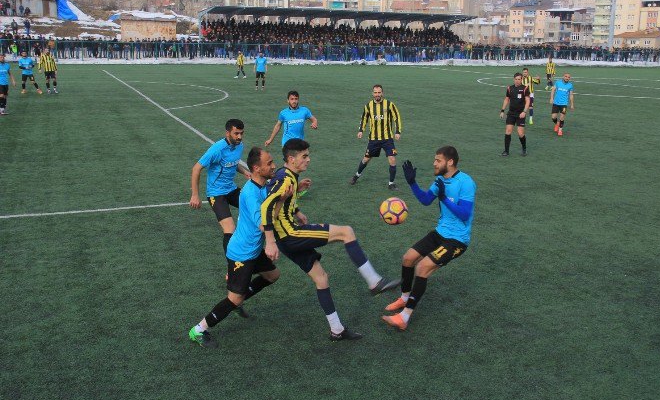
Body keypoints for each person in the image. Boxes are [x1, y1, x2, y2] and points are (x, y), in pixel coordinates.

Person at [261, 139, 400, 341]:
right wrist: (270, 241)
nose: (308, 159)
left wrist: (296, 205)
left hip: (287, 237)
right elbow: (266, 207)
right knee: (346, 232)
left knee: (321, 278)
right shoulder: (284, 178)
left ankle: (337, 330)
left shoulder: (288, 177)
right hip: (290, 235)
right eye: (304, 156)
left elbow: (280, 201)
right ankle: (374, 281)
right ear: (291, 159)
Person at [189, 147, 286, 348]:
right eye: (269, 163)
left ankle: (238, 301)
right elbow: (264, 224)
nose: (273, 165)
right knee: (233, 298)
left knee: (272, 275)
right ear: (256, 169)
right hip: (242, 253)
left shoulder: (262, 185)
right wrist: (281, 202)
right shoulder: (250, 193)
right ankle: (198, 329)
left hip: (253, 249)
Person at [382, 147, 476, 331]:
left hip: (457, 240)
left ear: (450, 162)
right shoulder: (441, 179)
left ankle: (404, 317)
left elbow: (465, 214)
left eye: (438, 160)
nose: (434, 163)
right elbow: (426, 200)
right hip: (440, 232)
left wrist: (444, 199)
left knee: (422, 267)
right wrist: (412, 183)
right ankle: (404, 297)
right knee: (408, 258)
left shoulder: (466, 182)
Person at [190, 119, 252, 255]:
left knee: (256, 208)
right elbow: (196, 169)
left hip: (231, 189)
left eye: (242, 133)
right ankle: (233, 266)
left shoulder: (239, 145)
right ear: (227, 132)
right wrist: (195, 195)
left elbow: (233, 163)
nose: (239, 137)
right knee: (230, 228)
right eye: (236, 133)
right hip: (216, 194)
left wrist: (245, 172)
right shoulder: (217, 149)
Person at [264, 90, 318, 197]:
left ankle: (292, 187)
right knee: (290, 166)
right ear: (288, 100)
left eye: (296, 99)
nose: (294, 101)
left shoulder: (304, 111)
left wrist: (314, 123)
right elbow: (278, 126)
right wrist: (270, 139)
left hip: (299, 145)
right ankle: (282, 185)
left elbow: (313, 119)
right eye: (292, 99)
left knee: (297, 167)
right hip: (288, 144)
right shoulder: (283, 113)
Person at [349, 84, 402, 190]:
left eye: (379, 92)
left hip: (387, 139)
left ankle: (391, 183)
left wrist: (398, 131)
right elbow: (364, 119)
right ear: (372, 93)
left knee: (392, 159)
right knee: (366, 159)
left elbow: (397, 117)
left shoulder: (389, 104)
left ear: (382, 93)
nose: (377, 94)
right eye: (375, 92)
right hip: (373, 139)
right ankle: (356, 175)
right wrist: (361, 130)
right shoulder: (368, 106)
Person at [499, 72, 530, 156]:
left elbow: (528, 101)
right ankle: (506, 151)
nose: (517, 81)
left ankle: (524, 148)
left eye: (519, 79)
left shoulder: (525, 88)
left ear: (521, 80)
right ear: (514, 79)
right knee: (508, 131)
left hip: (521, 114)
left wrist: (524, 112)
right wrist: (502, 110)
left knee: (520, 133)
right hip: (511, 113)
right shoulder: (510, 88)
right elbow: (506, 99)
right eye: (516, 79)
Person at [549, 73, 575, 137]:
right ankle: (557, 123)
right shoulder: (558, 82)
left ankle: (560, 130)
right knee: (553, 117)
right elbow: (553, 90)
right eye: (566, 76)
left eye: (568, 77)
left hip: (564, 104)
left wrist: (572, 104)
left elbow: (571, 95)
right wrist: (551, 98)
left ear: (569, 78)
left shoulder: (570, 85)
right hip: (556, 103)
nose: (567, 78)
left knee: (562, 117)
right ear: (563, 77)